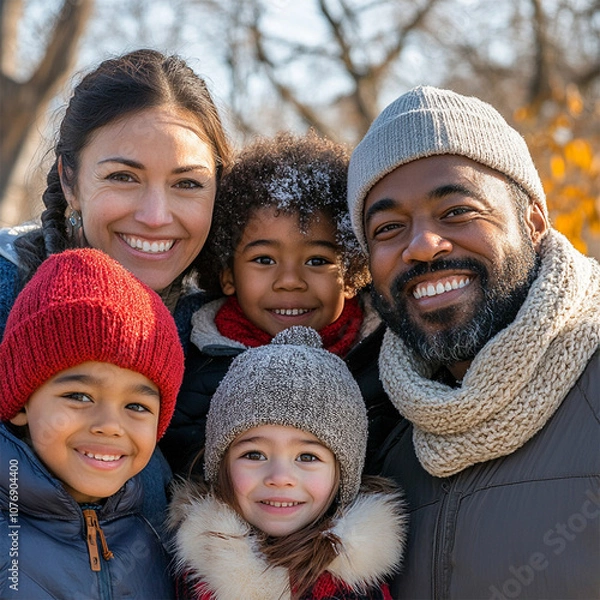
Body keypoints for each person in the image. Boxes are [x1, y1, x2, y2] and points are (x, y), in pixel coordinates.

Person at [346, 85, 600, 599]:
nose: (422, 246)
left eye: (457, 212)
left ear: (532, 220)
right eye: (389, 227)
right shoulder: (369, 433)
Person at [0, 47, 233, 527]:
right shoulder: (7, 293)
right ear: (70, 180)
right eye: (123, 177)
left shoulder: (223, 330)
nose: (155, 216)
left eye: (187, 184)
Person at [161, 131, 399, 476]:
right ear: (227, 274)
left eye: (317, 261)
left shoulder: (384, 363)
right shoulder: (190, 365)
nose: (290, 280)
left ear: (351, 275)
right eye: (264, 260)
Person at [168, 326, 407, 600]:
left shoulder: (358, 584)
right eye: (254, 455)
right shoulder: (193, 569)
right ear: (219, 465)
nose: (280, 477)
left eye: (307, 457)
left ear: (343, 475)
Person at [0, 248, 185, 599]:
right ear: (21, 401)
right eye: (80, 397)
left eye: (136, 405)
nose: (109, 425)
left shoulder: (159, 541)